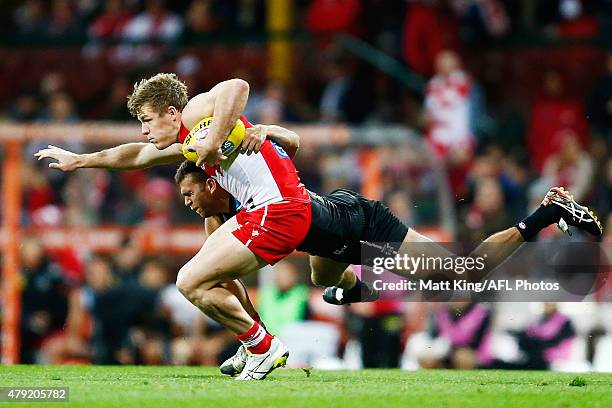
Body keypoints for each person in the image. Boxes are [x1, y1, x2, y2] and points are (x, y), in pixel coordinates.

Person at [35, 73, 603, 379]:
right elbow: (134, 158)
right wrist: (81, 160)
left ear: (168, 110)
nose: (144, 132)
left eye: (145, 120)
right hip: (320, 219)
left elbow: (235, 87)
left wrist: (222, 133)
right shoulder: (188, 145)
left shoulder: (204, 112)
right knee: (360, 282)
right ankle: (541, 217)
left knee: (191, 279)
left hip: (304, 213)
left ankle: (262, 344)